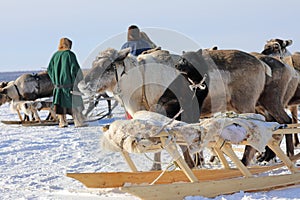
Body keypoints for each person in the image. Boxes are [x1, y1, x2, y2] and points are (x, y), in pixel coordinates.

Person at [47, 37, 87, 128]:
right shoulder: (70, 54)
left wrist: (55, 80)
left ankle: (62, 121)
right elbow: (75, 69)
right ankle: (78, 121)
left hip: (58, 87)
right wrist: (80, 79)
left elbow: (49, 69)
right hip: (70, 86)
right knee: (75, 103)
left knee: (60, 104)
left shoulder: (55, 55)